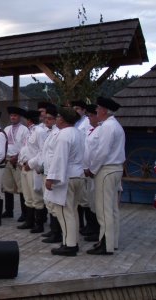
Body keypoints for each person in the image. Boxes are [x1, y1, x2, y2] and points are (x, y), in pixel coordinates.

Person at [85, 97, 124, 255]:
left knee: (103, 208)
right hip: (114, 168)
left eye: (99, 108)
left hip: (106, 169)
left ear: (104, 111)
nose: (97, 111)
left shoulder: (108, 126)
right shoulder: (113, 125)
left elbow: (102, 152)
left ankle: (106, 244)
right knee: (112, 208)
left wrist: (92, 169)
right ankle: (111, 241)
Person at [44, 107, 84, 256]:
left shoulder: (64, 135)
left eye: (59, 117)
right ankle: (72, 241)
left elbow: (60, 158)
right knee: (72, 211)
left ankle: (70, 245)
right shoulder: (77, 133)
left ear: (63, 119)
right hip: (77, 175)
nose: (57, 119)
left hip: (66, 177)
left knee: (64, 211)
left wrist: (51, 178)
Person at [31, 105, 63, 244]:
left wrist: (50, 174)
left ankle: (57, 233)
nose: (46, 121)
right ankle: (53, 230)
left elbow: (56, 156)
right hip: (45, 170)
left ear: (56, 119)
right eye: (45, 118)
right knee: (48, 203)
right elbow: (43, 153)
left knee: (54, 204)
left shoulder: (58, 133)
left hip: (52, 173)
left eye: (50, 119)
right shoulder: (50, 132)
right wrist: (36, 165)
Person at [17, 110, 48, 233]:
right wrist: (21, 161)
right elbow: (25, 148)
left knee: (36, 197)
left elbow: (42, 151)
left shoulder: (40, 132)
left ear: (29, 120)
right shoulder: (30, 131)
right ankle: (29, 221)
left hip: (33, 168)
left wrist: (31, 163)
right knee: (27, 196)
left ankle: (39, 224)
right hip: (25, 166)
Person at [2, 107, 29, 221]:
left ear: (20, 117)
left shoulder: (24, 129)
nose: (13, 117)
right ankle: (9, 211)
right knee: (7, 186)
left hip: (18, 160)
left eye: (15, 115)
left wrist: (17, 157)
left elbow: (26, 146)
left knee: (21, 187)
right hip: (7, 159)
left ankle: (25, 213)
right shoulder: (6, 128)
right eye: (11, 115)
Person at [80, 104, 101, 241]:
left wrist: (92, 169)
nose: (89, 118)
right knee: (90, 201)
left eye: (91, 116)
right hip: (87, 171)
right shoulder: (90, 130)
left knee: (96, 202)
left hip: (95, 171)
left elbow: (100, 152)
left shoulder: (101, 130)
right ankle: (92, 227)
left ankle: (97, 230)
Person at [71, 100, 92, 230]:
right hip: (77, 164)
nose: (76, 111)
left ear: (84, 110)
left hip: (85, 164)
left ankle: (90, 225)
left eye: (78, 108)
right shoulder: (74, 123)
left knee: (85, 199)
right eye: (74, 108)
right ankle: (80, 225)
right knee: (77, 199)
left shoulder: (87, 123)